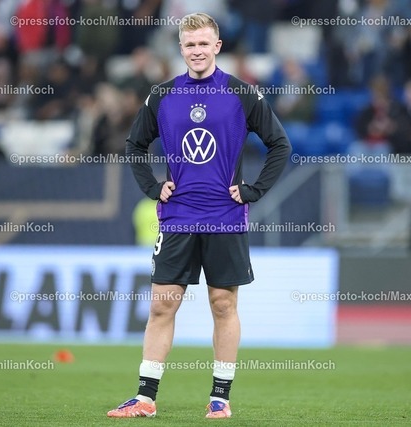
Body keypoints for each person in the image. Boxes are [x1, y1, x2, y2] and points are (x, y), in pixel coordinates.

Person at [107, 13, 291, 419]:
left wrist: (254, 190)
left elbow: (280, 144)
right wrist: (152, 187)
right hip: (178, 217)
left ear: (217, 46)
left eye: (204, 43)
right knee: (162, 306)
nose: (197, 51)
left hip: (225, 217)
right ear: (181, 48)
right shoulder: (162, 96)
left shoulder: (242, 94)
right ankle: (145, 398)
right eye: (190, 45)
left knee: (223, 305)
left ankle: (220, 398)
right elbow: (135, 145)